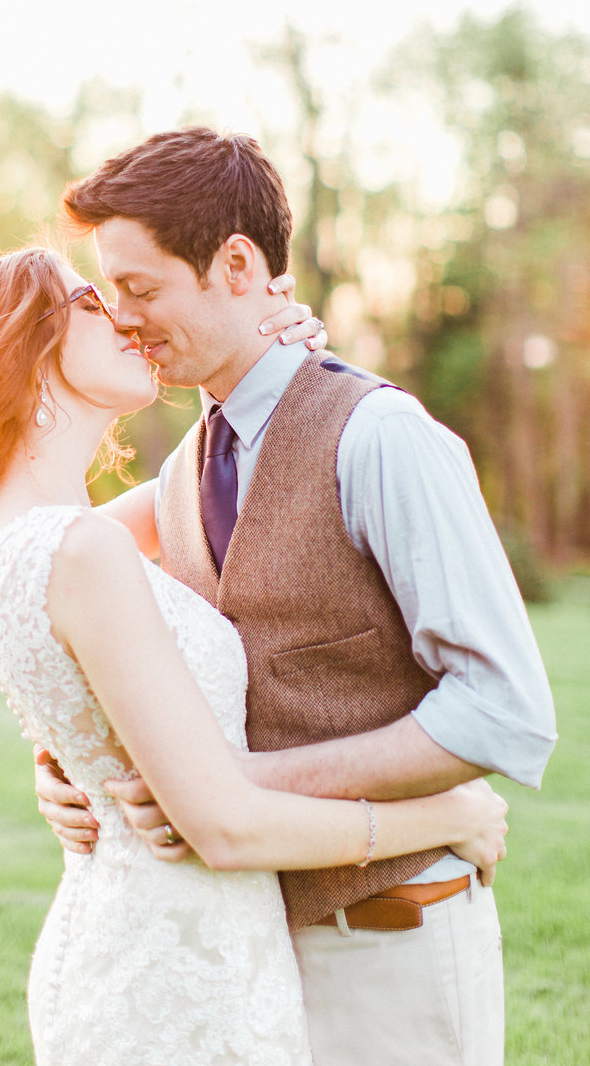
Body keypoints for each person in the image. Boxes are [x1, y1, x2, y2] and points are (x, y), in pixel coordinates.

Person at [0, 245, 510, 1066]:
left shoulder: (14, 541)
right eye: (89, 301)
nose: (121, 315)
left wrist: (274, 360)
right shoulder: (81, 550)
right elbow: (222, 825)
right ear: (26, 346)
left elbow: (246, 472)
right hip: (177, 972)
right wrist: (449, 815)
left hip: (147, 942)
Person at [34, 127, 557, 1066]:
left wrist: (231, 790)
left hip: (391, 947)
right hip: (248, 963)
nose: (122, 318)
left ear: (236, 265)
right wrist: (62, 758)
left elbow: (505, 713)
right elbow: (45, 580)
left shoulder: (383, 436)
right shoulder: (189, 465)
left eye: (140, 288)